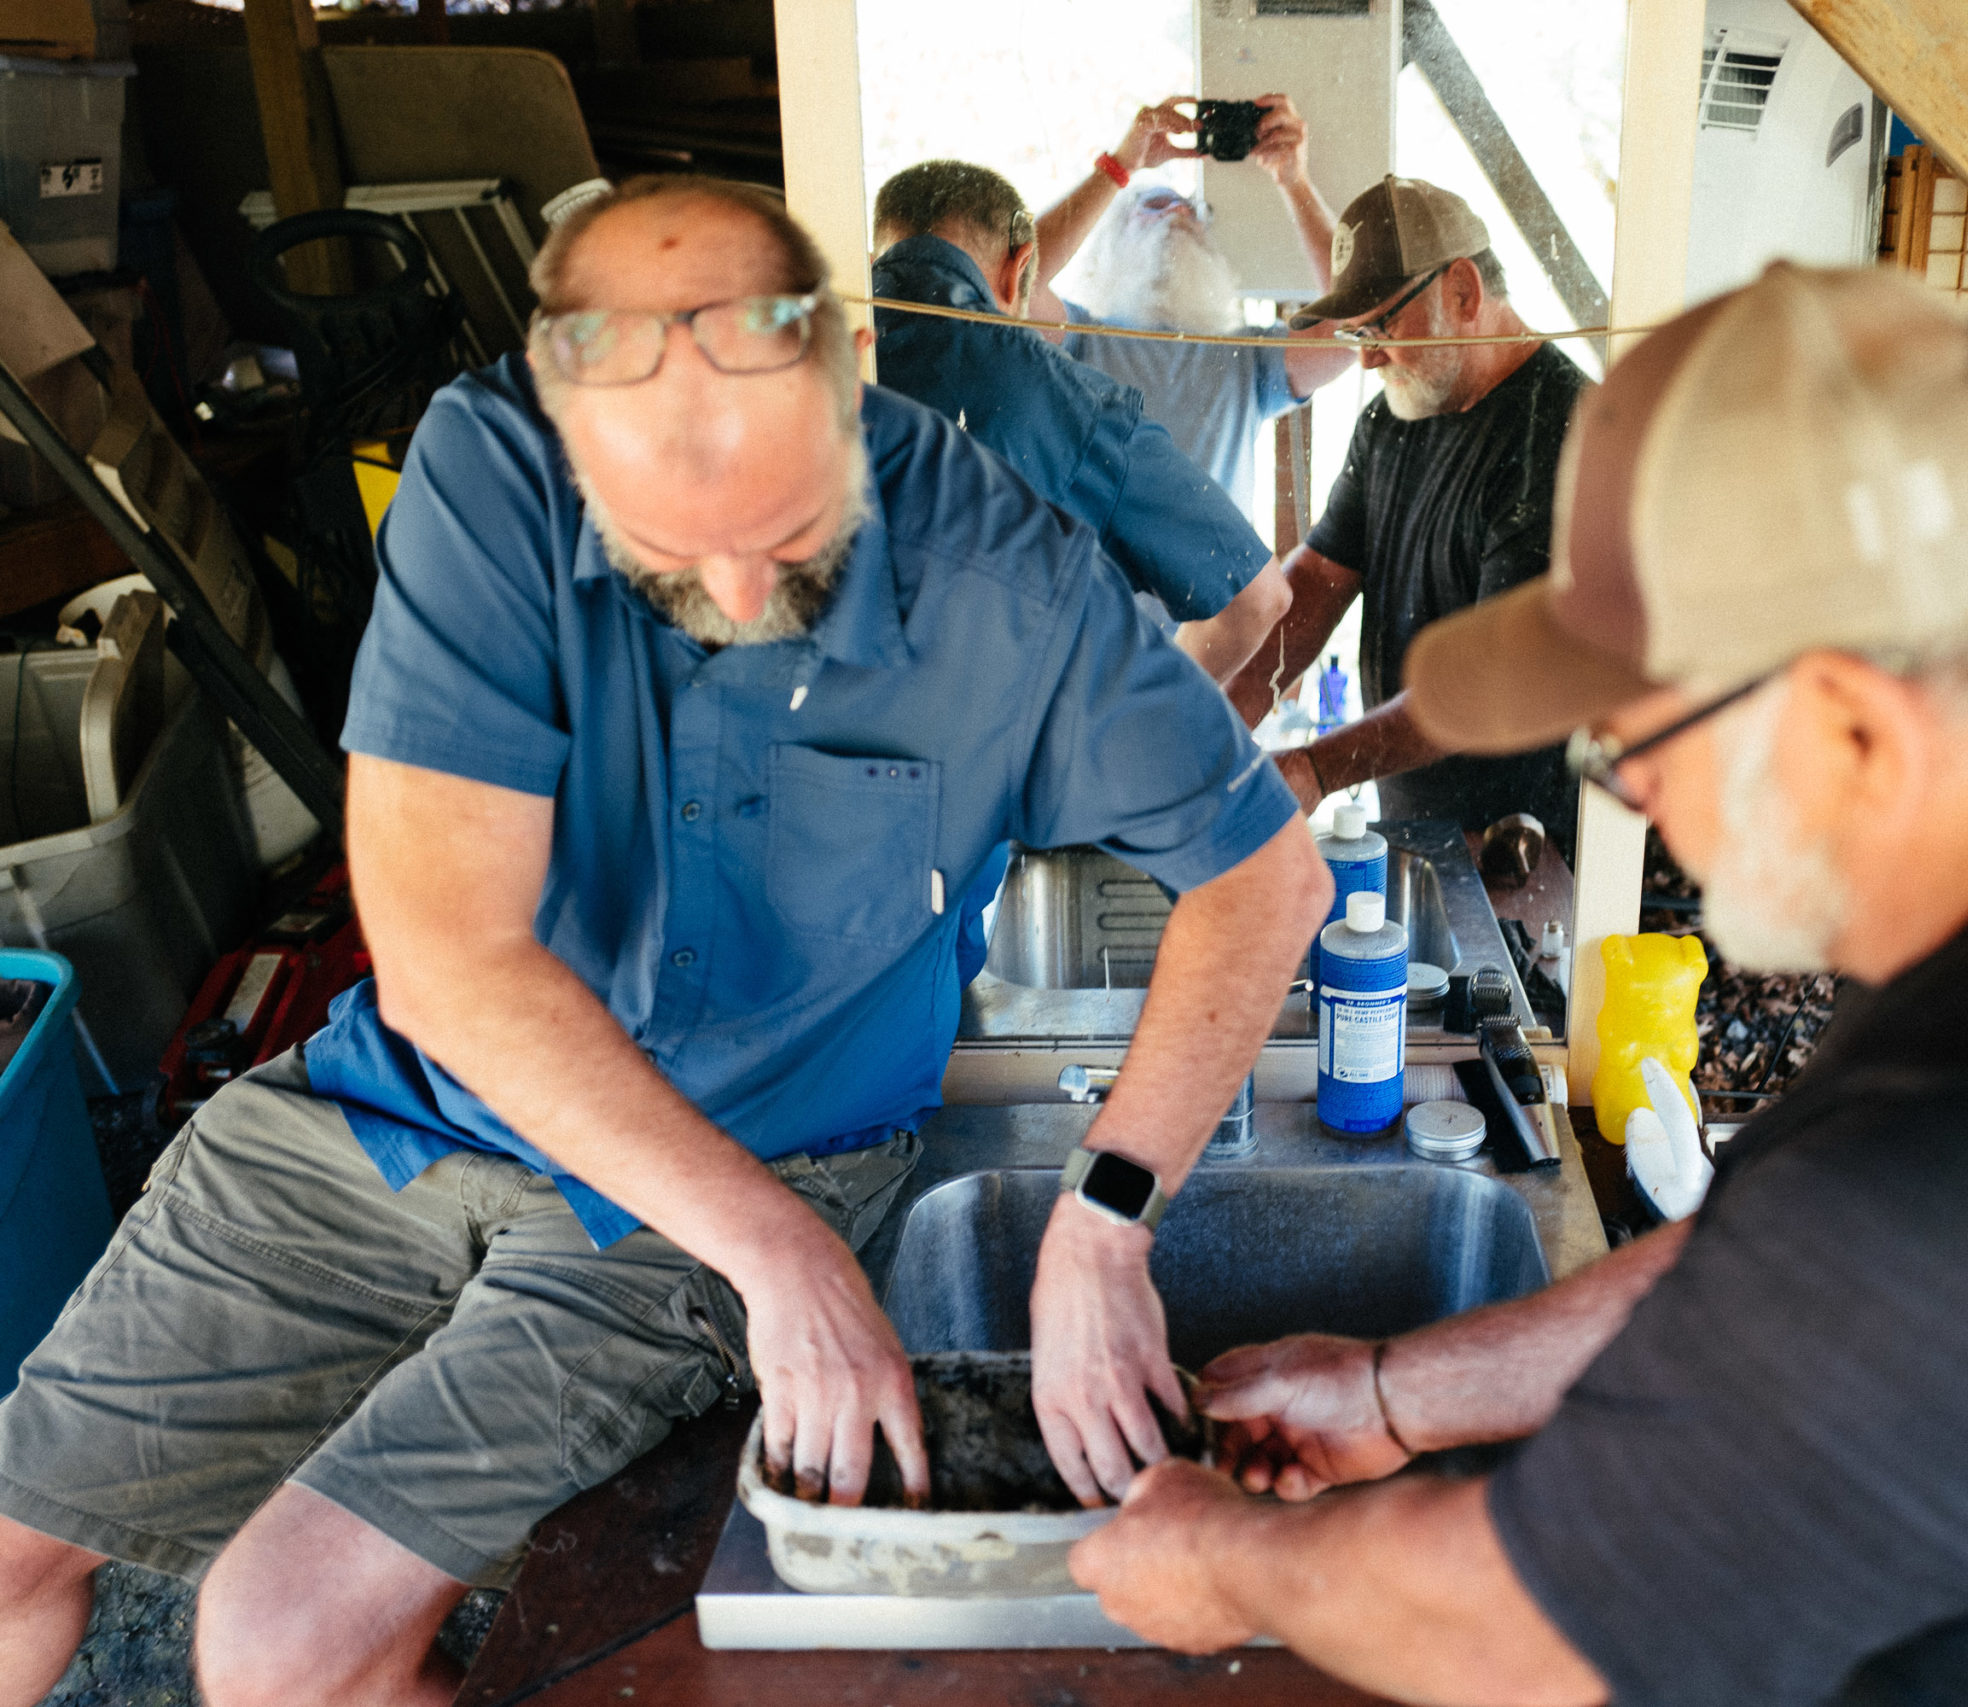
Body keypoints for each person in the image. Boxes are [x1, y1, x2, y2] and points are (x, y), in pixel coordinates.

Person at [1070, 265, 1968, 1704]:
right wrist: (1397, 1391)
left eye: (1627, 735)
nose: (1626, 781)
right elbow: (1771, 1271)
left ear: (1845, 724)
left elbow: (1524, 1619)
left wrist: (1232, 1561)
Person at [0, 177, 1332, 1707]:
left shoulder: (1007, 578)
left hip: (754, 1162)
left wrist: (1106, 1218)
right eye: (673, 559)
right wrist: (786, 1265)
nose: (747, 590)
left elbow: (1264, 878)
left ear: (840, 378)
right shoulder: (488, 472)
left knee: (281, 1629)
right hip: (398, 1108)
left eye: (789, 529)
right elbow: (450, 961)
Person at [1226, 175, 1587, 857]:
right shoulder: (1393, 420)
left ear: (1463, 291)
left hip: (1526, 851)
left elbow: (1490, 676)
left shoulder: (1564, 432)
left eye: (1384, 324)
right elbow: (1317, 582)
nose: (1366, 357)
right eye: (1358, 331)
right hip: (1417, 825)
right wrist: (1224, 714)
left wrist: (1315, 767)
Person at [869, 159, 1289, 688]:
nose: (1174, 216)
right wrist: (1139, 731)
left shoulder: (802, 353)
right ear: (1020, 269)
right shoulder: (1062, 388)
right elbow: (1258, 596)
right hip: (993, 744)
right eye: (1154, 207)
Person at [1026, 95, 1357, 513]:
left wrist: (1295, 182)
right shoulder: (1080, 340)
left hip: (1216, 581)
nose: (1179, 214)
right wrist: (1121, 166)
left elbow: (1357, 323)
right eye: (1155, 206)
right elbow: (1014, 280)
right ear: (1111, 242)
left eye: (1192, 211)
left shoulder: (1248, 360)